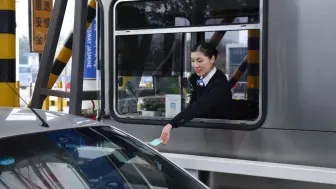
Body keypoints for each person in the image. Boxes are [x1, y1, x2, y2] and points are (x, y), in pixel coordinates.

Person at [159, 42, 232, 144]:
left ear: (212, 59)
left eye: (199, 61)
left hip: (221, 136)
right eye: (192, 61)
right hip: (205, 135)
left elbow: (199, 106)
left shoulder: (219, 84)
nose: (195, 65)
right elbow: (193, 103)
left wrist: (171, 125)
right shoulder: (199, 79)